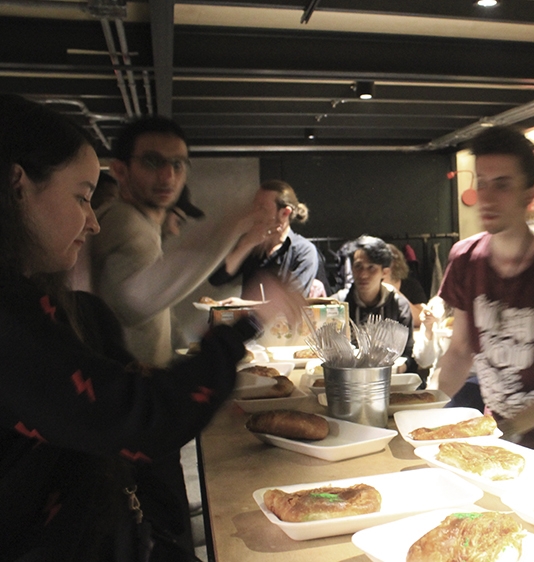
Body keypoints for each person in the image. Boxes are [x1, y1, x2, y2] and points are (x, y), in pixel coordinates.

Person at [0, 93, 304, 561]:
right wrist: (243, 323)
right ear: (18, 186)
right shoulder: (18, 313)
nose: (91, 222)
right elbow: (138, 396)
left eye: (178, 165)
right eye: (81, 196)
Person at [436, 126, 534, 455]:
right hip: (499, 439)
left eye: (502, 184)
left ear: (528, 193)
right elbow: (460, 350)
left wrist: (506, 430)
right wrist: (426, 412)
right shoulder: (465, 259)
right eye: (481, 182)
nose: (488, 197)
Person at [88, 115, 274, 367]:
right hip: (127, 391)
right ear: (120, 170)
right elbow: (135, 304)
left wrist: (179, 355)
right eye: (152, 162)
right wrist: (232, 225)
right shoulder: (124, 219)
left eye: (178, 164)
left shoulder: (142, 223)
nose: (168, 176)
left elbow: (156, 314)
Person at [209, 179, 321, 299]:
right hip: (248, 318)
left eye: (262, 208)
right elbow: (217, 280)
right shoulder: (254, 246)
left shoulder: (303, 250)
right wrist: (246, 244)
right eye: (255, 206)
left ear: (285, 213)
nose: (255, 213)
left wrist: (246, 306)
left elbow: (289, 302)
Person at [332, 235, 416, 370]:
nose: (363, 274)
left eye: (371, 268)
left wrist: (399, 368)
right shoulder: (338, 305)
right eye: (358, 266)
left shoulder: (399, 306)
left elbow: (408, 353)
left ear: (385, 272)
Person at [384, 243, 427, 326]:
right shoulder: (368, 288)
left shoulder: (411, 285)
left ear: (394, 264)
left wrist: (393, 292)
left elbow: (420, 318)